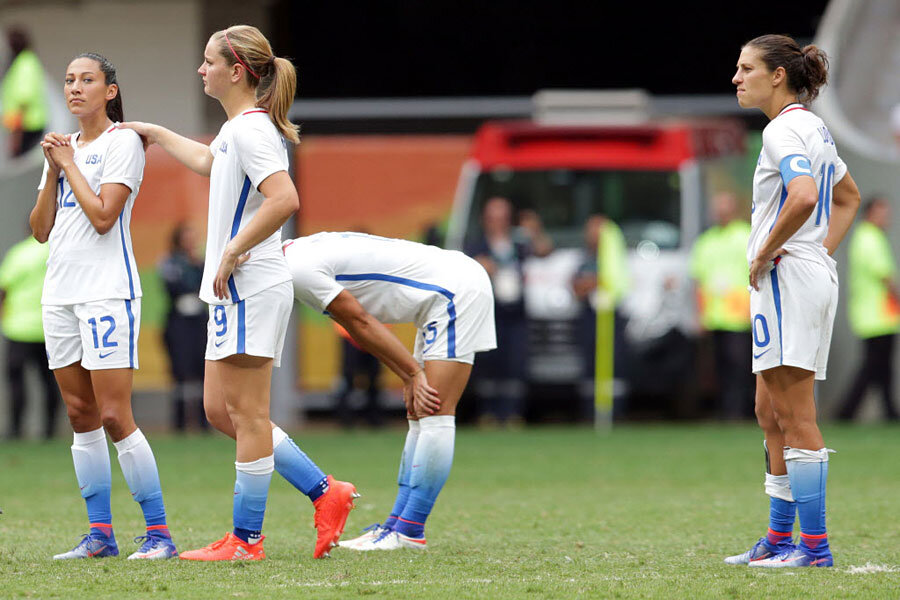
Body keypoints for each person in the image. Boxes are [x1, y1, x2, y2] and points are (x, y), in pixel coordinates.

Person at [120, 25, 357, 561]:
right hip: (232, 290)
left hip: (251, 284)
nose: (200, 69)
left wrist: (231, 250)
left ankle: (247, 540)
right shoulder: (236, 130)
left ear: (237, 72)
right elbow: (209, 163)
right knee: (218, 411)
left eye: (209, 62)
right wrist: (156, 132)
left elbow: (284, 199)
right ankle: (326, 491)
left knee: (247, 416)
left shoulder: (252, 131)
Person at [31, 53, 177, 560]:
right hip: (60, 295)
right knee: (79, 413)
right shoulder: (62, 150)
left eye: (87, 80)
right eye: (69, 80)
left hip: (106, 292)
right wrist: (53, 173)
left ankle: (159, 534)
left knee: (115, 416)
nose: (74, 88)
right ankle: (101, 535)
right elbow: (40, 230)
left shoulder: (124, 143)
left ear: (110, 91)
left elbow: (103, 217)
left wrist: (69, 164)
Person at [724, 34, 860, 568]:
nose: (736, 77)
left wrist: (769, 250)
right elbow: (845, 197)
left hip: (787, 278)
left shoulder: (783, 129)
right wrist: (817, 253)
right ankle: (779, 538)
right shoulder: (813, 127)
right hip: (803, 274)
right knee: (768, 409)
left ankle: (814, 547)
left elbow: (804, 196)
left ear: (777, 75)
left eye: (745, 67)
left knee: (796, 415)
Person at [281, 231, 495, 551]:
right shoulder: (296, 251)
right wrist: (409, 374)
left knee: (435, 412)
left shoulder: (296, 271)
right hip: (443, 290)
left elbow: (360, 322)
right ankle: (397, 526)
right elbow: (360, 325)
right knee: (420, 413)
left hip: (454, 291)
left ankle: (410, 530)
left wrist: (411, 373)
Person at [465, 198, 551, 425]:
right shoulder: (476, 245)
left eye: (503, 218)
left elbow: (544, 250)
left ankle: (512, 413)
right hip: (490, 313)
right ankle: (489, 413)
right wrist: (479, 266)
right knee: (490, 363)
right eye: (494, 218)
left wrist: (535, 230)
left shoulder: (519, 243)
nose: (498, 223)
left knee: (515, 363)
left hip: (517, 312)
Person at [689, 192, 754, 420]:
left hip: (739, 314)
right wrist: (700, 314)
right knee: (719, 368)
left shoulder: (745, 236)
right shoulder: (707, 241)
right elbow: (699, 282)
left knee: (740, 366)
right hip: (716, 316)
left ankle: (740, 411)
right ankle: (727, 412)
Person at [837, 196, 899, 421]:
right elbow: (885, 277)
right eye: (882, 212)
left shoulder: (866, 237)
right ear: (869, 214)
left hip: (877, 315)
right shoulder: (870, 238)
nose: (886, 217)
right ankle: (846, 413)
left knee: (881, 368)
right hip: (876, 316)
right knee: (873, 368)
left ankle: (889, 411)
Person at [0, 228, 60, 439]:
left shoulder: (19, 253)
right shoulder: (58, 251)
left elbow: (3, 288)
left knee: (16, 381)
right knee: (52, 381)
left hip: (19, 328)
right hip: (51, 327)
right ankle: (50, 430)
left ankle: (16, 429)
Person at [571, 214, 629, 420]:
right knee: (589, 367)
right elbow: (576, 286)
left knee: (614, 366)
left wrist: (593, 282)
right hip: (589, 316)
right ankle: (590, 414)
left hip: (611, 317)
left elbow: (615, 281)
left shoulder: (615, 257)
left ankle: (615, 414)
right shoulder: (583, 259)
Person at [158, 223, 208, 432]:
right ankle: (179, 423)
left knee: (203, 368)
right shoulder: (169, 262)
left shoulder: (202, 262)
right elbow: (173, 287)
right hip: (179, 322)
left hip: (199, 321)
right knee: (181, 370)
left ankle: (205, 422)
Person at [1, 27, 48, 157]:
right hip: (23, 126)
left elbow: (24, 100)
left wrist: (16, 136)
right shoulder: (23, 62)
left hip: (27, 126)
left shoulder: (25, 64)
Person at [332, 321, 384, 428]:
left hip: (374, 335)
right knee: (348, 378)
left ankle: (374, 418)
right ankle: (345, 418)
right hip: (350, 335)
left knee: (374, 379)